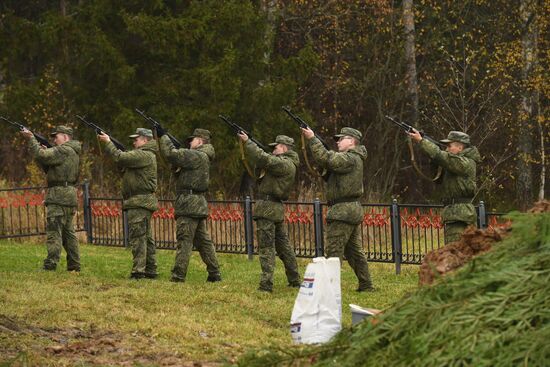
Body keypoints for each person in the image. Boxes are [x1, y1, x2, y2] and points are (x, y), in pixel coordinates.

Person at [302, 126, 374, 292]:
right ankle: (366, 284)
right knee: (354, 252)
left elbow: (327, 159)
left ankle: (330, 289)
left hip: (343, 211)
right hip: (349, 210)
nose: (338, 142)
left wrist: (312, 139)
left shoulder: (351, 158)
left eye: (342, 139)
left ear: (352, 141)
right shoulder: (352, 158)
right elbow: (329, 169)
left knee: (334, 251)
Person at [237, 133, 301, 292]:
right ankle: (294, 279)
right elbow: (261, 165)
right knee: (283, 247)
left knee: (266, 247)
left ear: (284, 148)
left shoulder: (285, 164)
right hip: (273, 208)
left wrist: (247, 142)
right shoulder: (286, 163)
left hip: (268, 208)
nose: (273, 150)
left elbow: (263, 158)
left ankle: (266, 284)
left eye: (276, 147)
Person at [157, 127, 221, 283]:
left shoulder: (197, 156)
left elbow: (171, 154)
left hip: (189, 204)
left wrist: (163, 136)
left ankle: (178, 275)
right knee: (203, 242)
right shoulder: (202, 156)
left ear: (199, 140)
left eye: (191, 140)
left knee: (184, 240)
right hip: (196, 203)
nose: (189, 142)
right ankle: (214, 273)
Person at [98, 128, 158, 279]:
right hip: (140, 201)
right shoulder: (145, 155)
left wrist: (108, 143)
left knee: (138, 238)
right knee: (146, 238)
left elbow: (120, 157)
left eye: (136, 139)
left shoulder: (144, 154)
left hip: (139, 202)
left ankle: (139, 271)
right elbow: (124, 167)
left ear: (145, 140)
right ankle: (150, 270)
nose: (133, 142)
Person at [21, 125, 82, 272]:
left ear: (66, 137)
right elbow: (49, 167)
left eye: (57, 136)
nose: (54, 140)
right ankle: (74, 264)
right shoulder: (73, 151)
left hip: (58, 196)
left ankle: (50, 264)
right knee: (68, 233)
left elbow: (40, 156)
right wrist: (44, 149)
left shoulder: (63, 150)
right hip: (69, 195)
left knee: (54, 231)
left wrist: (31, 139)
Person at [408, 130, 481, 243]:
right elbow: (438, 179)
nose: (447, 149)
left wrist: (422, 141)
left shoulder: (465, 163)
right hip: (456, 215)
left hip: (460, 216)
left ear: (460, 147)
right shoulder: (455, 165)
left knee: (456, 253)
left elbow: (442, 156)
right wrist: (434, 161)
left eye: (449, 146)